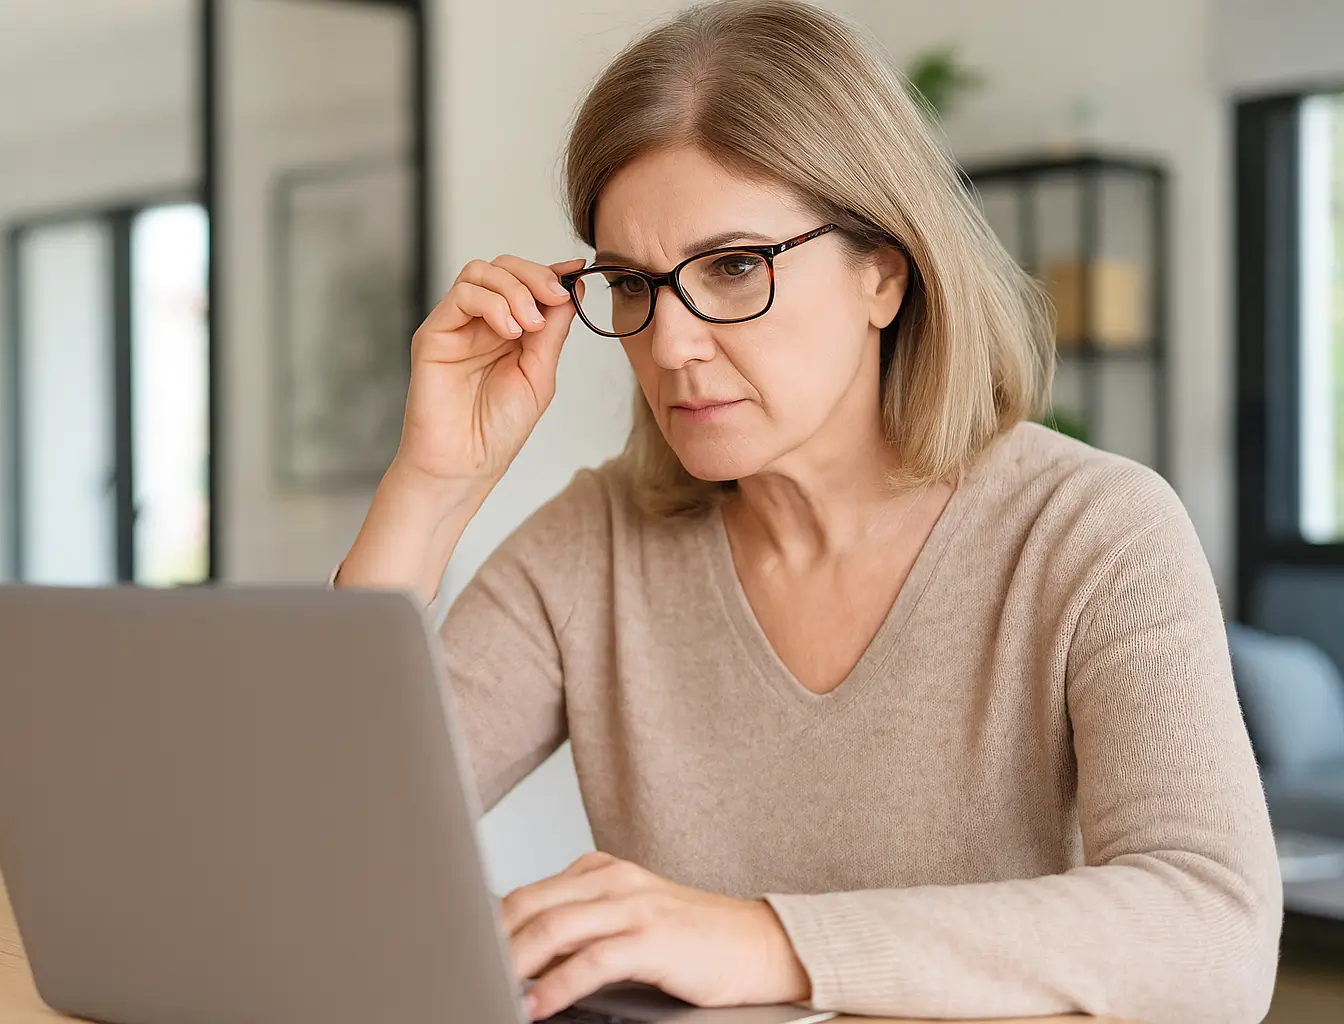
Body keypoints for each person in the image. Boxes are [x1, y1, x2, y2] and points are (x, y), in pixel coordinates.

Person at [334, 1, 1282, 1020]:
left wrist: (770, 940)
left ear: (883, 271)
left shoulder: (1092, 533)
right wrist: (433, 484)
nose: (672, 345)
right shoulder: (593, 547)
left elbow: (1215, 931)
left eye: (735, 267)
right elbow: (312, 841)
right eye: (633, 283)